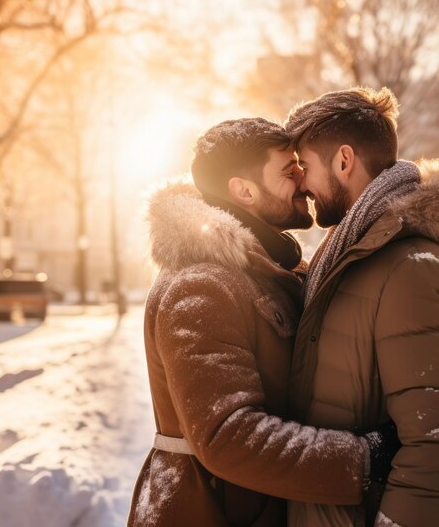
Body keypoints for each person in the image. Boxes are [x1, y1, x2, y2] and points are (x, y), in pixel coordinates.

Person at [127, 117, 400, 527]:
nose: (304, 183)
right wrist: (364, 459)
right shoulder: (202, 285)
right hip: (210, 512)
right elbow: (228, 436)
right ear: (244, 191)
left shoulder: (266, 272)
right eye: (290, 172)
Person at [284, 88, 439, 527]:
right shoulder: (349, 257)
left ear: (343, 160)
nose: (300, 183)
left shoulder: (413, 267)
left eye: (305, 166)